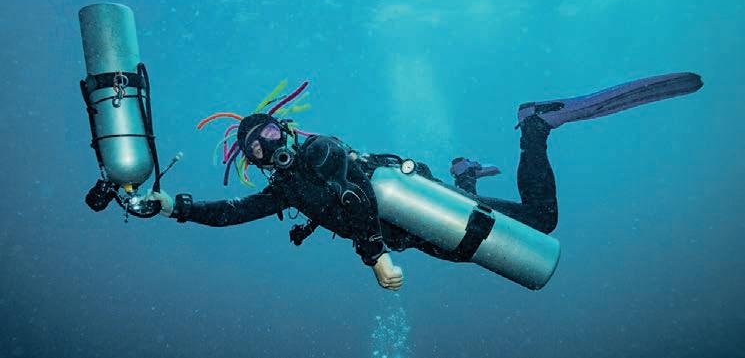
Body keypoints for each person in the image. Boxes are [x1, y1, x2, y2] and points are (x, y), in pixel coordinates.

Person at [147, 72, 703, 291]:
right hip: (420, 225)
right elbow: (232, 214)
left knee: (541, 221)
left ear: (285, 127)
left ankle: (534, 125)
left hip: (411, 215)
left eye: (269, 133)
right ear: (253, 160)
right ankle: (465, 175)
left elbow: (355, 196)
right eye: (255, 148)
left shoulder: (320, 149)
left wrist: (375, 257)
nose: (268, 146)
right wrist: (176, 206)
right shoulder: (285, 190)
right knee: (466, 245)